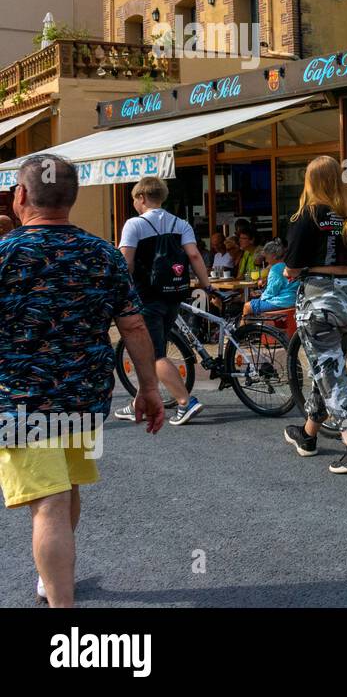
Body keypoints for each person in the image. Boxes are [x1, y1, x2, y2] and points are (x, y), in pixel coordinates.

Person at [0, 155, 165, 607]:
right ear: (71, 199)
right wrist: (149, 389)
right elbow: (133, 325)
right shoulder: (103, 253)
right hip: (84, 395)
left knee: (48, 502)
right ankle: (49, 581)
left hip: (22, 399)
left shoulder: (6, 254)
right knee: (66, 487)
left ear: (20, 197)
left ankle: (62, 609)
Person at [282, 156, 347, 474]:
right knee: (330, 367)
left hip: (319, 300)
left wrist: (287, 272)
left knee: (331, 374)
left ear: (310, 182)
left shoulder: (306, 214)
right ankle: (308, 436)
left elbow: (292, 267)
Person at [114, 176, 214, 425]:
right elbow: (194, 255)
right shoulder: (181, 223)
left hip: (147, 297)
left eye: (135, 199)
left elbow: (126, 262)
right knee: (155, 346)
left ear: (141, 197)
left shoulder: (134, 225)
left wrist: (118, 291)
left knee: (154, 354)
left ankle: (185, 401)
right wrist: (207, 285)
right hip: (174, 294)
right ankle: (140, 402)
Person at [242, 240, 298, 319]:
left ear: (274, 256)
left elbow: (272, 291)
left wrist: (261, 296)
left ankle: (243, 331)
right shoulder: (289, 265)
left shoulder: (276, 269)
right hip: (292, 300)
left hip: (281, 302)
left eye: (267, 257)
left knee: (247, 306)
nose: (266, 260)